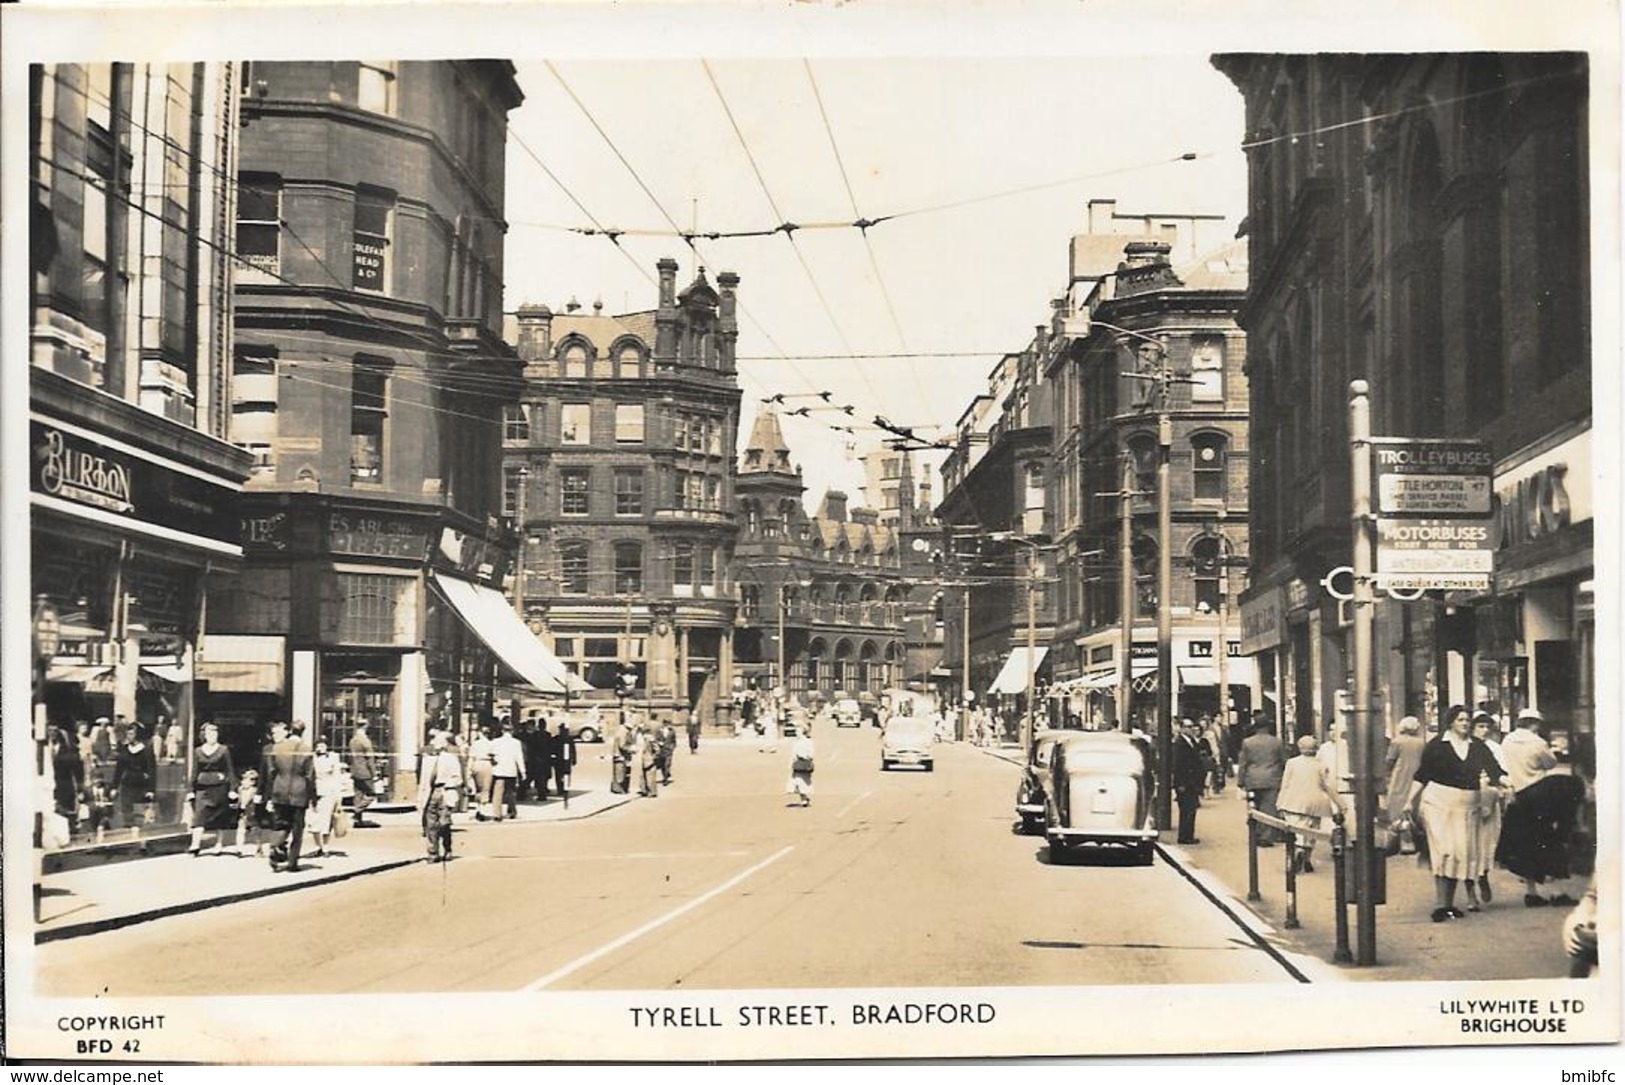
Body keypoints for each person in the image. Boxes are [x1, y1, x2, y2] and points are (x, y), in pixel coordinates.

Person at [1405, 705, 1506, 922]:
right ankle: (1441, 904)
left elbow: (1494, 771)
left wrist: (1507, 781)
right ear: (1450, 722)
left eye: (1468, 720)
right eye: (1461, 720)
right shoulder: (1437, 746)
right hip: (1439, 803)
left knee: (1459, 854)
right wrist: (1408, 801)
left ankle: (1448, 906)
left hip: (1468, 807)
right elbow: (1423, 774)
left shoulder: (1478, 746)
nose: (1465, 723)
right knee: (1445, 851)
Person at [1495, 708, 1585, 907]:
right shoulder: (1537, 742)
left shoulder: (1507, 740)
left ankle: (1531, 892)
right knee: (1550, 840)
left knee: (1528, 843)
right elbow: (1550, 763)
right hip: (1540, 794)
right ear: (1534, 723)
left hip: (1520, 796)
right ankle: (1557, 892)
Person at [1464, 712, 1511, 910]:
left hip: (1490, 801)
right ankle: (1470, 893)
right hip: (1468, 801)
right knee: (1468, 847)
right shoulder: (1463, 747)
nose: (1483, 731)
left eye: (1486, 727)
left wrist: (1503, 789)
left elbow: (1501, 772)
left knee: (1486, 844)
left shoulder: (1494, 748)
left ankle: (1483, 876)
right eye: (1479, 726)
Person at [1278, 734, 1341, 874]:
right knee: (1311, 832)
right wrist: (1340, 804)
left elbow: (1285, 784)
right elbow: (1327, 786)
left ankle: (1298, 850)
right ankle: (1307, 859)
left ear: (1300, 748)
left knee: (1297, 831)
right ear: (1315, 749)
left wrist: (1280, 803)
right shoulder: (1321, 765)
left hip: (1294, 802)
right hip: (1316, 803)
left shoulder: (1291, 763)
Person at [261, 720, 317, 872]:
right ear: (303, 732)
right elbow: (310, 776)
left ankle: (275, 847)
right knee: (297, 829)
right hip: (299, 793)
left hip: (280, 791)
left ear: (290, 731)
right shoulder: (306, 750)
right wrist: (313, 798)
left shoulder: (277, 747)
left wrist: (270, 794)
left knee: (281, 824)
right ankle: (292, 863)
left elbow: (271, 772)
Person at [187, 721, 237, 856]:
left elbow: (230, 770)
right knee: (199, 817)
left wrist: (233, 789)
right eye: (209, 733)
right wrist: (190, 790)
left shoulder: (223, 750)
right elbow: (194, 771)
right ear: (205, 735)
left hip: (219, 787)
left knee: (220, 817)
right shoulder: (198, 751)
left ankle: (219, 844)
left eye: (215, 733)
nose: (212, 736)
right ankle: (195, 845)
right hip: (203, 788)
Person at [1236, 715, 1286, 845]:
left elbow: (1243, 763)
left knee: (1254, 807)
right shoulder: (1277, 742)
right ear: (1268, 726)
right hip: (1272, 778)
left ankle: (1256, 833)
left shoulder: (1247, 742)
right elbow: (1283, 761)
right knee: (1269, 808)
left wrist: (1240, 781)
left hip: (1252, 779)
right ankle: (1266, 837)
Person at [415, 734, 463, 862]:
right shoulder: (427, 761)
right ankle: (433, 853)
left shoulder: (451, 759)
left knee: (444, 823)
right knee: (430, 824)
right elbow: (423, 782)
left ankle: (447, 849)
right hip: (431, 793)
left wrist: (449, 784)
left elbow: (458, 778)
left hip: (445, 792)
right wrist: (419, 799)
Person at [1384, 716, 1427, 852]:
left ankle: (1401, 839)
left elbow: (1390, 761)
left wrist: (1386, 774)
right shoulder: (1422, 743)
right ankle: (1411, 838)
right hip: (1417, 776)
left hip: (1400, 776)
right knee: (1414, 803)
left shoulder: (1397, 742)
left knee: (1397, 804)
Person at [111, 723, 157, 830]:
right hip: (127, 784)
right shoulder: (125, 750)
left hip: (141, 785)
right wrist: (114, 787)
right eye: (128, 734)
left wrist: (151, 790)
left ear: (138, 735)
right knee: (127, 813)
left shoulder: (146, 750)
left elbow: (152, 770)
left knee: (140, 816)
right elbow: (119, 770)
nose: (129, 736)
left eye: (131, 734)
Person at [1172, 719, 1207, 845]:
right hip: (1185, 782)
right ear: (1182, 728)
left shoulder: (1191, 741)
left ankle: (1188, 834)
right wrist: (1180, 783)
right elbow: (1177, 765)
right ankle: (1185, 836)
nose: (1191, 729)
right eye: (1188, 726)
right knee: (1187, 809)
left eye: (1192, 726)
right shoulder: (1179, 743)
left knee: (1191, 808)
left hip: (1192, 781)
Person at [306, 738, 343, 858]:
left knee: (326, 820)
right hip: (314, 792)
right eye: (318, 745)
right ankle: (318, 846)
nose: (320, 747)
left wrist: (338, 796)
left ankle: (326, 847)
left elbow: (337, 777)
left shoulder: (333, 757)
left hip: (328, 792)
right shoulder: (311, 758)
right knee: (313, 820)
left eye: (323, 745)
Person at [489, 718, 525, 820]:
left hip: (499, 770)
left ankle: (497, 814)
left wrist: (493, 763)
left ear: (502, 731)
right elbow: (519, 758)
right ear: (512, 731)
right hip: (511, 771)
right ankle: (512, 811)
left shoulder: (495, 742)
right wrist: (523, 771)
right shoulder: (516, 743)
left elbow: (491, 755)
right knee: (511, 793)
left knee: (498, 793)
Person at [348, 720, 379, 827]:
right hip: (365, 771)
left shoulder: (353, 740)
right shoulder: (365, 741)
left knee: (358, 794)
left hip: (355, 770)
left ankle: (358, 821)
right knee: (372, 794)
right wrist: (374, 773)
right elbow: (370, 758)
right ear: (366, 727)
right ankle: (357, 811)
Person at [467, 724, 495, 819]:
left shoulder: (475, 744)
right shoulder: (491, 744)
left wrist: (469, 770)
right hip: (487, 764)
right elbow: (494, 757)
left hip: (477, 763)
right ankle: (483, 809)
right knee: (486, 788)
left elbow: (471, 757)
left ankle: (478, 808)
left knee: (478, 788)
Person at [787, 727, 816, 807]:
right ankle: (804, 798)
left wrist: (805, 756)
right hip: (797, 764)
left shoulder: (808, 742)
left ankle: (804, 798)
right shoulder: (796, 742)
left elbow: (811, 754)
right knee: (797, 783)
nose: (796, 733)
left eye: (798, 731)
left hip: (805, 764)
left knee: (803, 783)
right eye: (796, 731)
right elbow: (793, 754)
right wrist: (791, 763)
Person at [552, 722, 577, 805]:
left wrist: (574, 759)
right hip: (560, 759)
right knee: (560, 775)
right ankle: (561, 789)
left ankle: (564, 788)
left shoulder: (569, 739)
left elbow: (573, 750)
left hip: (565, 760)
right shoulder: (557, 738)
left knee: (565, 774)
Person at [636, 723, 660, 798]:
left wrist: (653, 757)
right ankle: (644, 790)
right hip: (643, 759)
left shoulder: (650, 738)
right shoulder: (641, 738)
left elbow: (657, 750)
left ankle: (652, 792)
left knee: (650, 776)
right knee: (643, 776)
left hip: (650, 760)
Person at [657, 716, 678, 786]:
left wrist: (672, 747)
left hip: (669, 750)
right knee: (662, 765)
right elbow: (656, 738)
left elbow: (674, 741)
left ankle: (665, 779)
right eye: (666, 723)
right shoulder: (659, 730)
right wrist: (659, 743)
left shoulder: (672, 731)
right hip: (661, 750)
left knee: (667, 765)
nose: (668, 724)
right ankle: (664, 776)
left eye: (669, 723)